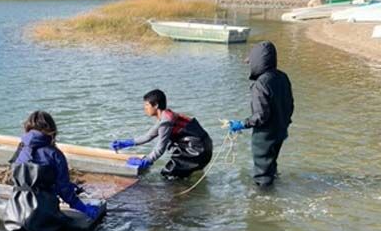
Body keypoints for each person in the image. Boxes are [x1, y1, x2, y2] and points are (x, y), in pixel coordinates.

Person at [4, 110, 104, 231]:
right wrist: (84, 208)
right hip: (44, 219)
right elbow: (65, 191)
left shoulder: (21, 149)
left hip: (14, 217)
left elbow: (22, 181)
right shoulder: (55, 154)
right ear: (51, 131)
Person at [225, 41, 294, 187]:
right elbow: (290, 105)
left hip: (265, 136)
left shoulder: (261, 84)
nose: (249, 65)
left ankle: (264, 198)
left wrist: (242, 124)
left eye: (251, 62)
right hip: (281, 131)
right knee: (271, 165)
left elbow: (261, 116)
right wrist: (285, 123)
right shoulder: (283, 77)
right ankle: (275, 189)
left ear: (258, 61)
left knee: (262, 174)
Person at [110, 89, 213, 179]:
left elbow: (160, 148)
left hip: (196, 150)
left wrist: (147, 161)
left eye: (147, 105)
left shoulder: (166, 122)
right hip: (203, 146)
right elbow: (148, 136)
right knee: (179, 175)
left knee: (168, 175)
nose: (145, 108)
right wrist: (127, 143)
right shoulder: (166, 116)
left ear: (156, 105)